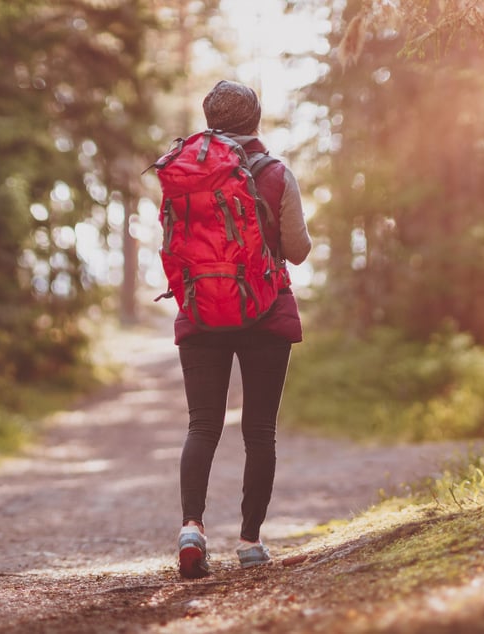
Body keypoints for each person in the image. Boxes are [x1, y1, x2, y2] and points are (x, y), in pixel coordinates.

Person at [175, 80, 312, 578]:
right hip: (265, 312)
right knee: (259, 432)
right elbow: (296, 250)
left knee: (202, 426)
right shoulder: (275, 173)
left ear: (209, 119)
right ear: (255, 120)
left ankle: (192, 528)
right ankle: (251, 542)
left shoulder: (185, 170)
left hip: (200, 311)